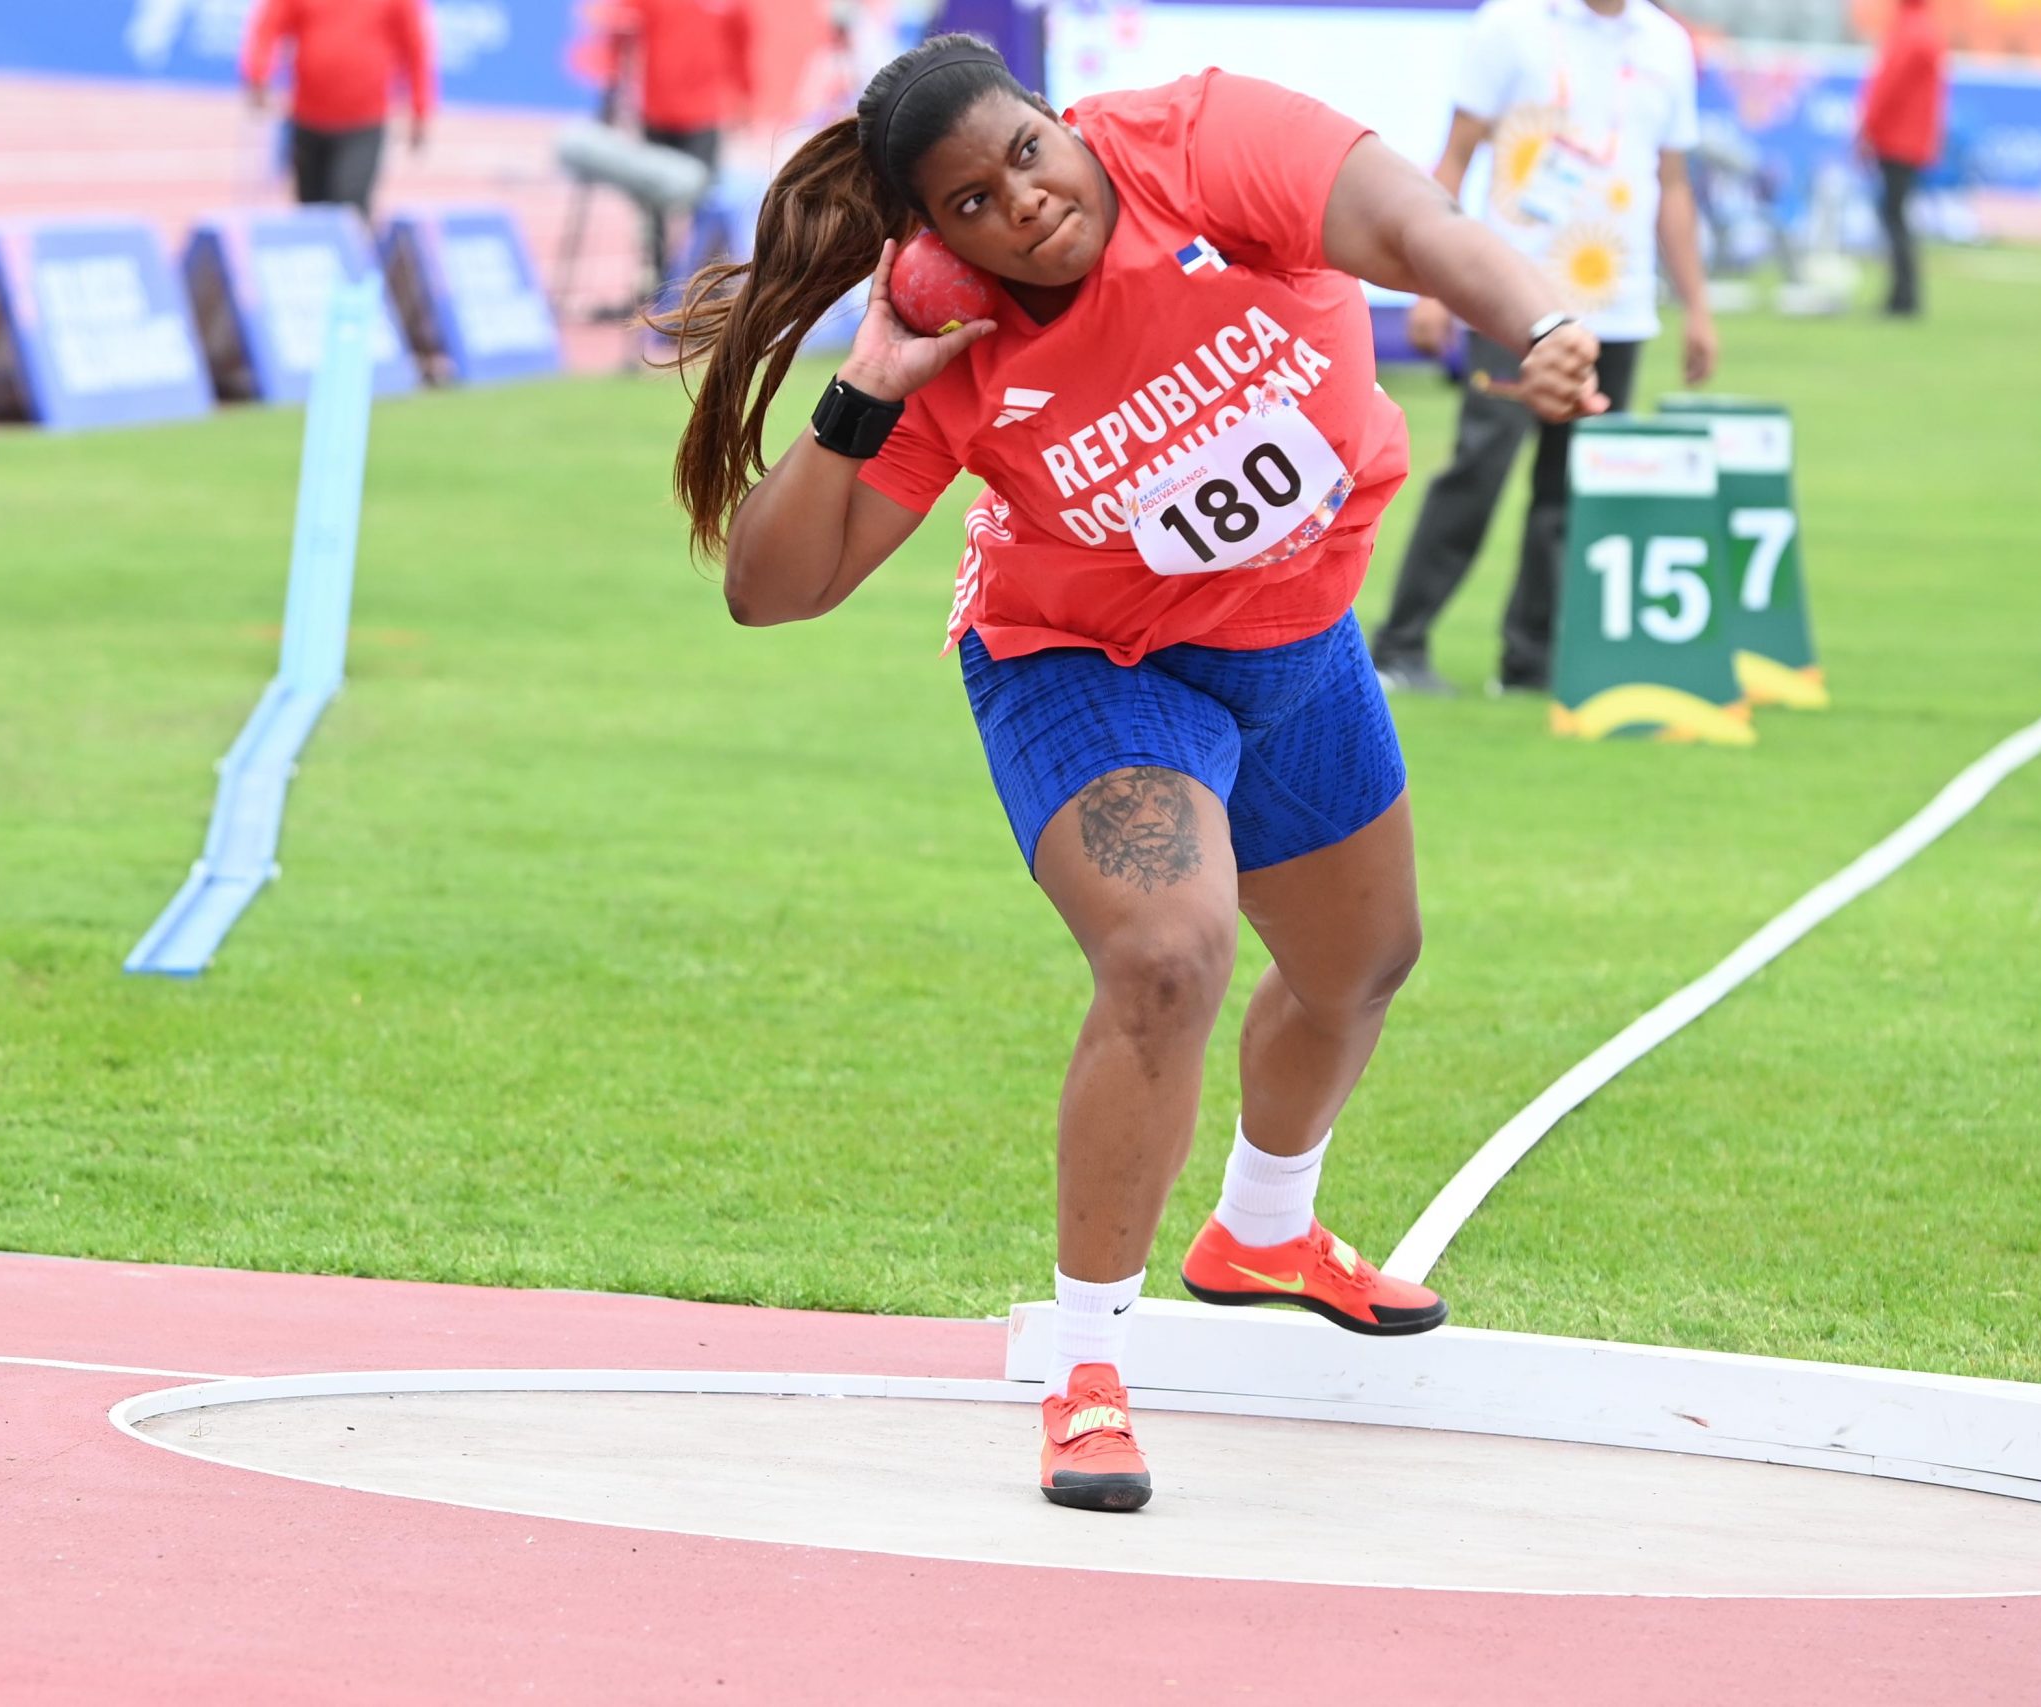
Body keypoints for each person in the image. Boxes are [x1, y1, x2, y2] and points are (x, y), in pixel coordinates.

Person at [655, 35, 1605, 1511]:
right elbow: (774, 591)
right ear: (932, 238)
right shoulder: (951, 342)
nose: (1019, 205)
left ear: (1057, 118)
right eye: (969, 203)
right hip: (1087, 668)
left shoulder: (1210, 147)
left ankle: (1264, 1230)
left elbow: (1418, 229)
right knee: (1169, 952)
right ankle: (1087, 1363)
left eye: (1023, 154)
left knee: (1362, 965)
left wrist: (1536, 315)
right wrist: (867, 386)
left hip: (1292, 639)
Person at [1369, 0, 1716, 699]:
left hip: (1617, 309)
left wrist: (1698, 306)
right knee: (1479, 470)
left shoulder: (1667, 44)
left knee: (1573, 494)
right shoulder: (1512, 23)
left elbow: (1671, 183)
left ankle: (1529, 663)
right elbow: (1456, 155)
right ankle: (1400, 646)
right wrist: (1433, 287)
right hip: (1512, 301)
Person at [606, 0, 755, 293]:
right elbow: (620, 30)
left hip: (703, 115)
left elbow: (741, 44)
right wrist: (615, 86)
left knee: (706, 202)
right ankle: (658, 276)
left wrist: (745, 96)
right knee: (653, 204)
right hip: (656, 112)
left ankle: (706, 282)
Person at [241, 0, 438, 221]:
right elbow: (269, 25)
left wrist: (420, 110)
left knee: (350, 210)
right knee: (310, 213)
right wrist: (258, 73)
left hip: (363, 122)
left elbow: (416, 49)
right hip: (307, 119)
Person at [1858, 0, 1946, 318]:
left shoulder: (1908, 31)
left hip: (1897, 139)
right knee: (1896, 215)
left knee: (1893, 216)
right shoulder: (1925, 29)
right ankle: (1903, 295)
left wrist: (1867, 126)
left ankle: (1903, 298)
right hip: (1912, 139)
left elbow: (1886, 86)